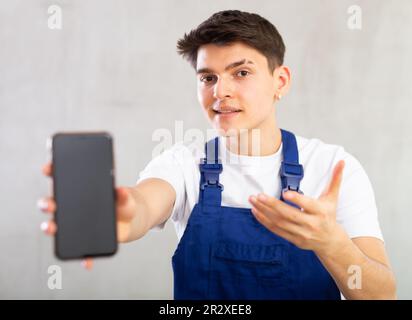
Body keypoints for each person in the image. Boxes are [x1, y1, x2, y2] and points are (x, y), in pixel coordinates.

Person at [38, 10, 396, 299]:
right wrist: (123, 214)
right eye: (207, 78)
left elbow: (382, 296)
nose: (220, 92)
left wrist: (331, 243)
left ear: (280, 81)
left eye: (241, 73)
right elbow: (144, 205)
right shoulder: (182, 164)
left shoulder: (333, 169)